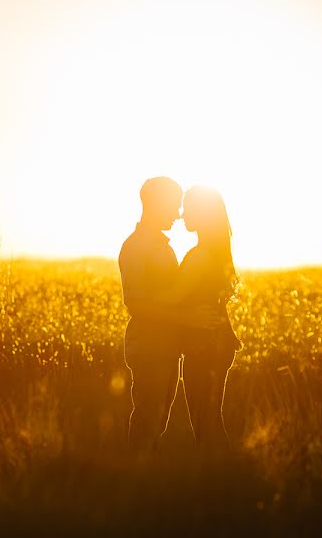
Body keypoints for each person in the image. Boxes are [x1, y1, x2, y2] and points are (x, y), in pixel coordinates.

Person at [118, 177, 217, 453]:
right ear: (156, 205)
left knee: (157, 423)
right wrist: (189, 320)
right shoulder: (137, 246)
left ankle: (146, 481)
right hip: (149, 348)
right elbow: (136, 304)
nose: (177, 214)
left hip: (166, 348)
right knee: (148, 422)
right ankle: (136, 483)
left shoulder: (160, 245)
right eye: (174, 206)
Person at [165, 185, 241, 456]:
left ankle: (218, 480)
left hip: (207, 345)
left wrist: (139, 297)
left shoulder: (200, 255)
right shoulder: (215, 250)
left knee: (205, 421)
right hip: (216, 342)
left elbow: (172, 297)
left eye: (188, 208)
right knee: (209, 419)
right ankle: (219, 476)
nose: (183, 214)